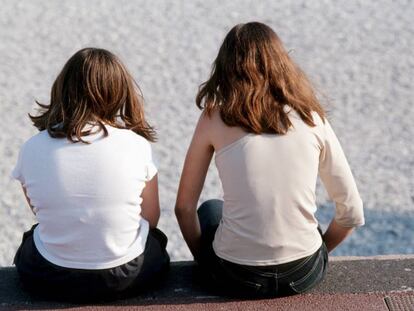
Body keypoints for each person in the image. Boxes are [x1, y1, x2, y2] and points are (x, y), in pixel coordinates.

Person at [175, 22, 364, 297]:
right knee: (302, 222)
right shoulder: (312, 118)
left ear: (226, 67)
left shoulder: (214, 118)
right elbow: (352, 212)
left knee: (212, 209)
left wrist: (204, 261)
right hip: (303, 273)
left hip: (235, 275)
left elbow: (183, 208)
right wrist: (318, 249)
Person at [11, 48, 169, 302]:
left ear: (62, 89)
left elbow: (44, 212)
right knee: (157, 241)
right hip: (125, 276)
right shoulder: (137, 145)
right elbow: (150, 219)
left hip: (50, 275)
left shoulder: (32, 148)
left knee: (32, 238)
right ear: (118, 91)